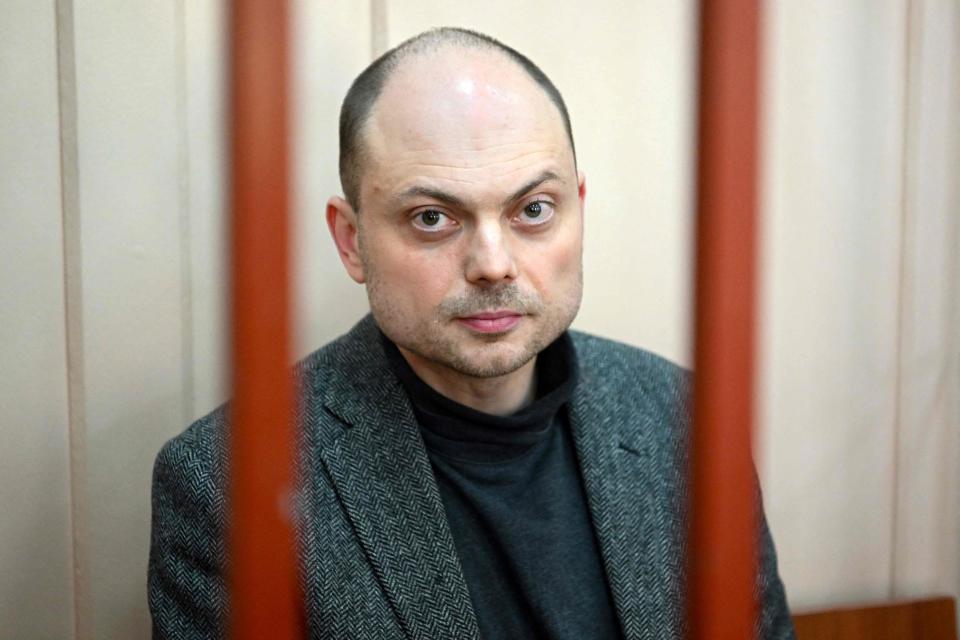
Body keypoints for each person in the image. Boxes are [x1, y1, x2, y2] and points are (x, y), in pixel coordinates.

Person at [149, 27, 795, 639]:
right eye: (433, 218)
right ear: (352, 241)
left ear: (579, 209)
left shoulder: (685, 417)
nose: (493, 262)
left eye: (533, 210)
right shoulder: (226, 487)